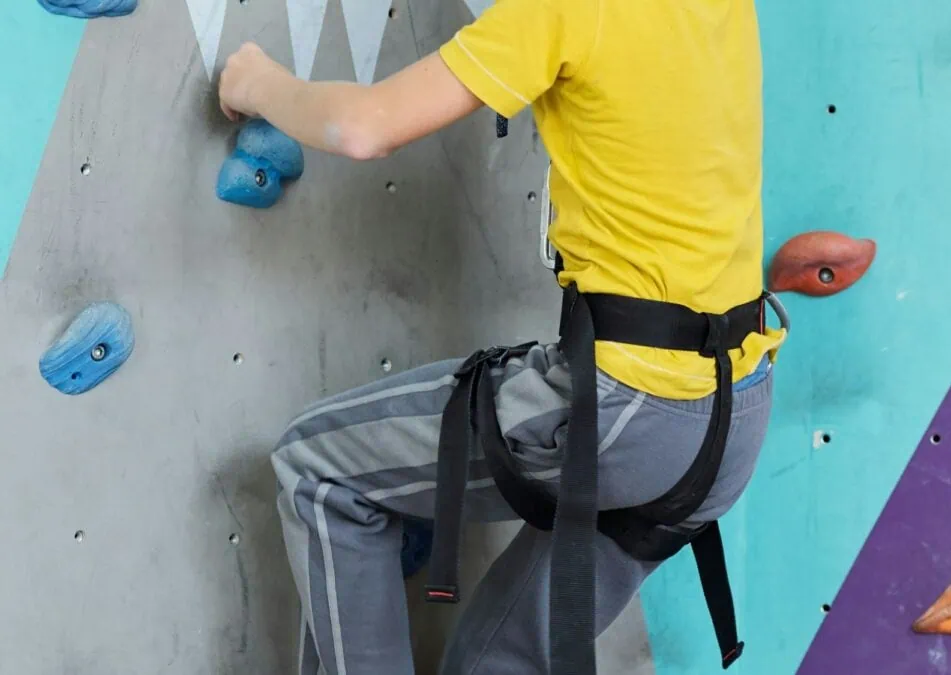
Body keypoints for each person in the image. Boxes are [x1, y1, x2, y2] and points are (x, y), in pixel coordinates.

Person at [217, 0, 786, 672]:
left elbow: (364, 127)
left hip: (627, 406)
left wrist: (252, 82)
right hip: (732, 417)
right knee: (495, 662)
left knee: (319, 469)